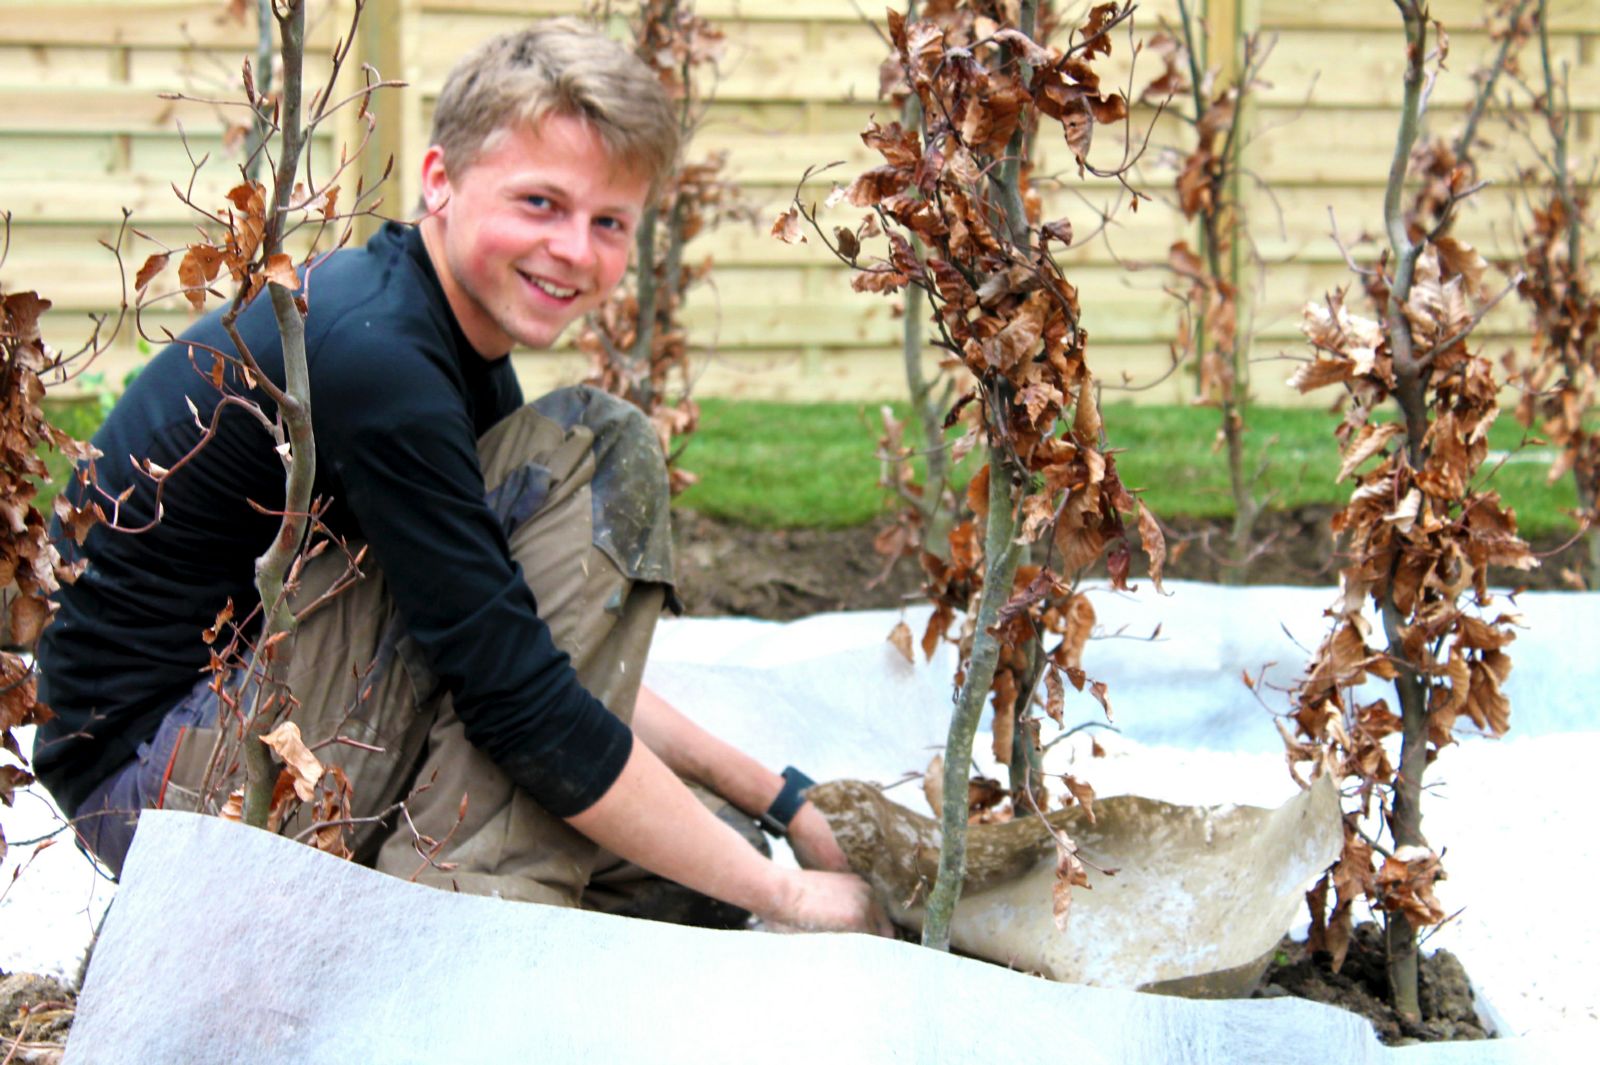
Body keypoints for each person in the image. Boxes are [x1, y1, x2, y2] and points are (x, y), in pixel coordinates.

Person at [33, 20, 889, 937]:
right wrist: (796, 898)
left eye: (608, 222)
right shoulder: (382, 359)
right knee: (602, 445)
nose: (574, 248)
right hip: (173, 787)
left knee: (699, 873)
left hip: (244, 739)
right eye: (539, 203)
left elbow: (524, 632)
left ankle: (446, 890)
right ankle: (451, 936)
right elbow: (516, 691)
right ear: (439, 181)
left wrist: (784, 803)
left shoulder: (456, 349)